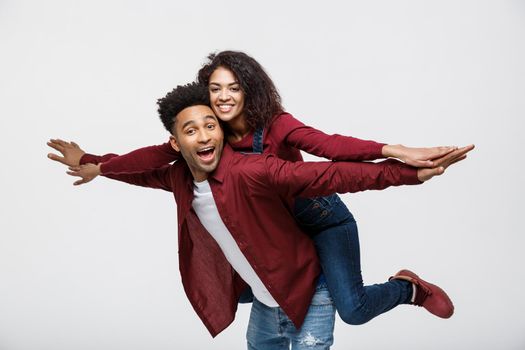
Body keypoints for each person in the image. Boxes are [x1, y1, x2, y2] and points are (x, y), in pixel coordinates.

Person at [48, 51, 465, 326]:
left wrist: (398, 155)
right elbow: (156, 158)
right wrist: (95, 164)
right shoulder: (208, 135)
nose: (224, 97)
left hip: (320, 219)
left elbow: (330, 153)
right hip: (275, 231)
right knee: (244, 292)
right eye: (215, 89)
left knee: (352, 310)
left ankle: (409, 287)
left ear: (250, 88)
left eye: (234, 87)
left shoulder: (276, 125)